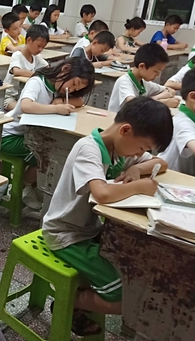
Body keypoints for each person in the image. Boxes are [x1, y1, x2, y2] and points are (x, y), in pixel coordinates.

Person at [42, 97, 172, 332]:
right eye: (142, 148)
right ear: (125, 130)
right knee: (126, 297)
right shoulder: (88, 148)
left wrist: (136, 168)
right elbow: (102, 194)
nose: (140, 154)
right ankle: (67, 300)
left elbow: (161, 163)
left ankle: (85, 291)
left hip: (91, 230)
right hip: (66, 235)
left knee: (139, 263)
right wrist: (138, 186)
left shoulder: (122, 148)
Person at [1, 57, 95, 211]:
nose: (72, 90)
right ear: (65, 69)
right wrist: (56, 108)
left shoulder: (57, 88)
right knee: (48, 156)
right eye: (73, 84)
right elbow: (26, 106)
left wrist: (60, 101)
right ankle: (21, 186)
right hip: (9, 135)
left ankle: (27, 185)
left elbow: (79, 101)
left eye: (75, 89)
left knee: (54, 151)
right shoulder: (37, 82)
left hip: (29, 135)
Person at [107, 43, 179, 112]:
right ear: (142, 66)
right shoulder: (124, 82)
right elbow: (133, 105)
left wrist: (154, 98)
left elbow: (170, 91)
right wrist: (164, 103)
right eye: (156, 71)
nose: (158, 75)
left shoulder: (143, 83)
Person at [3, 24, 50, 111]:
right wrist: (37, 74)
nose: (40, 50)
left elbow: (48, 68)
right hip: (10, 98)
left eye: (43, 47)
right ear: (29, 40)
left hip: (25, 97)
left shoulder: (36, 57)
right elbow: (17, 71)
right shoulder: (17, 55)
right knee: (24, 110)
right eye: (39, 46)